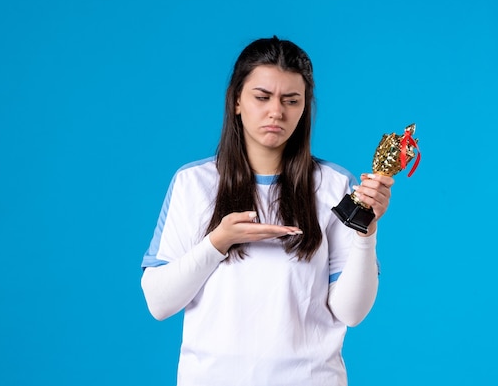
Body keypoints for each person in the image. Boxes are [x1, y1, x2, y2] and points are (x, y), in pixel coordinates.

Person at [140, 36, 394, 386]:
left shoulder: (334, 186)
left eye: (291, 100)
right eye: (262, 97)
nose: (277, 112)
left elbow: (351, 312)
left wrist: (366, 232)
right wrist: (218, 242)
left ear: (305, 108)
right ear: (236, 101)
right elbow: (158, 303)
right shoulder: (193, 183)